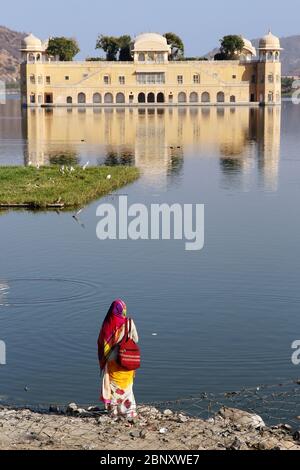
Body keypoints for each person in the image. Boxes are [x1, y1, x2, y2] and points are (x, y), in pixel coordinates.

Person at [98, 299, 139, 420]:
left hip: (112, 361)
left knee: (114, 387)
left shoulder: (107, 325)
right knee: (126, 387)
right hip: (127, 359)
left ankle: (114, 413)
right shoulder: (129, 323)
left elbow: (101, 343)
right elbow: (136, 339)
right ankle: (129, 412)